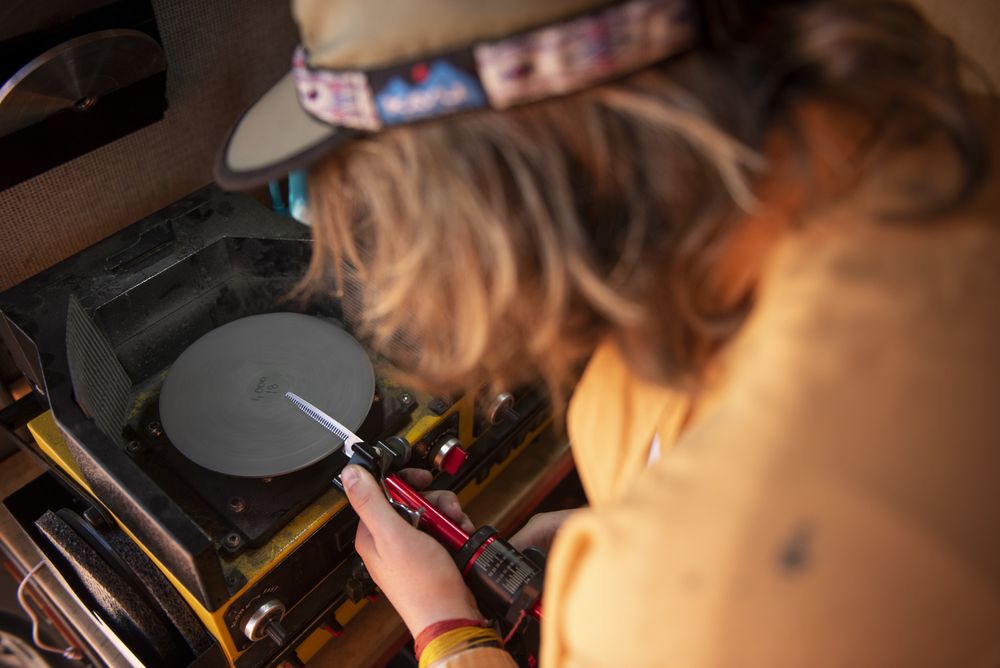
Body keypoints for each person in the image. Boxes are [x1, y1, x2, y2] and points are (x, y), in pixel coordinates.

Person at [216, 0, 1000, 665]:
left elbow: (752, 572)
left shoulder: (707, 593)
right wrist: (619, 537)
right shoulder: (917, 143)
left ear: (496, 187)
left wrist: (448, 629)